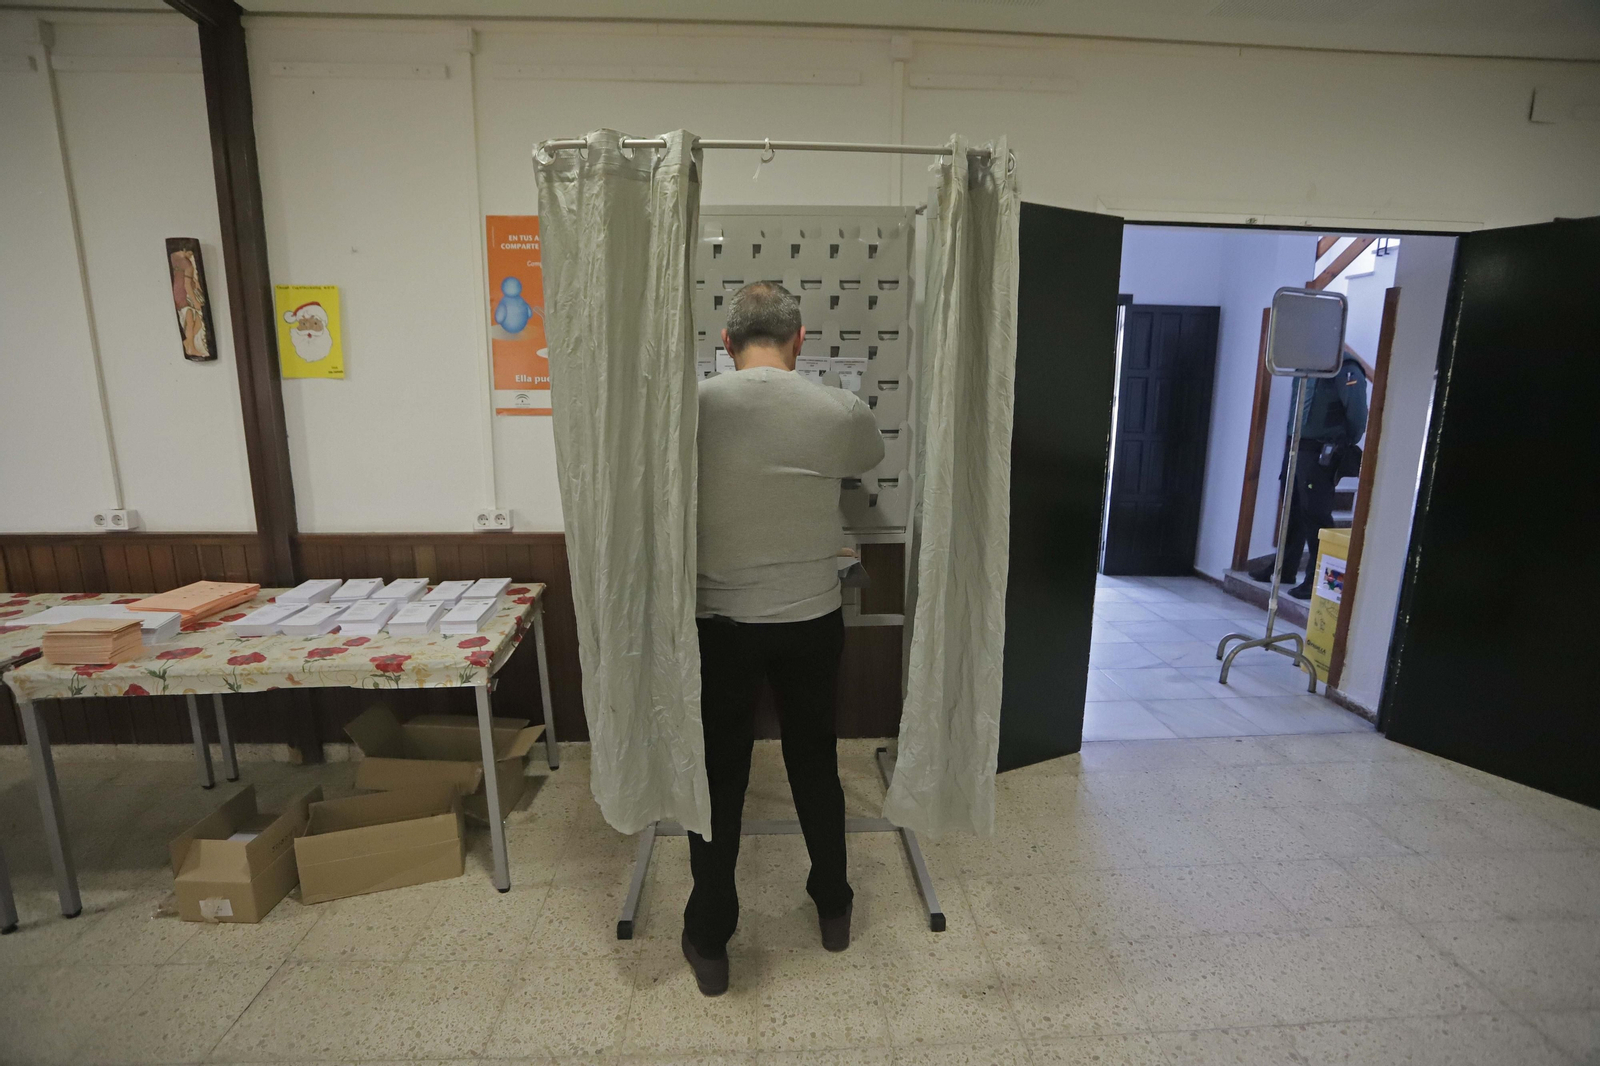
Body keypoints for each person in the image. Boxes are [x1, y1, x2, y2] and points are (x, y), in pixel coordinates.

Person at [682, 281, 885, 996]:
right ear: (800, 341)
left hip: (719, 626)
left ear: (726, 342)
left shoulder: (693, 409)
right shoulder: (839, 410)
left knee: (719, 777)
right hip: (809, 620)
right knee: (813, 762)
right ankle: (834, 904)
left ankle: (710, 938)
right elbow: (870, 459)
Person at [1251, 343, 1369, 599]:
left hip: (1320, 451)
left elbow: (1358, 416)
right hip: (1297, 447)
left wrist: (1342, 443)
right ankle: (1284, 568)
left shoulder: (1345, 368)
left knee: (1316, 515)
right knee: (1292, 510)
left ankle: (1320, 578)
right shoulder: (1304, 365)